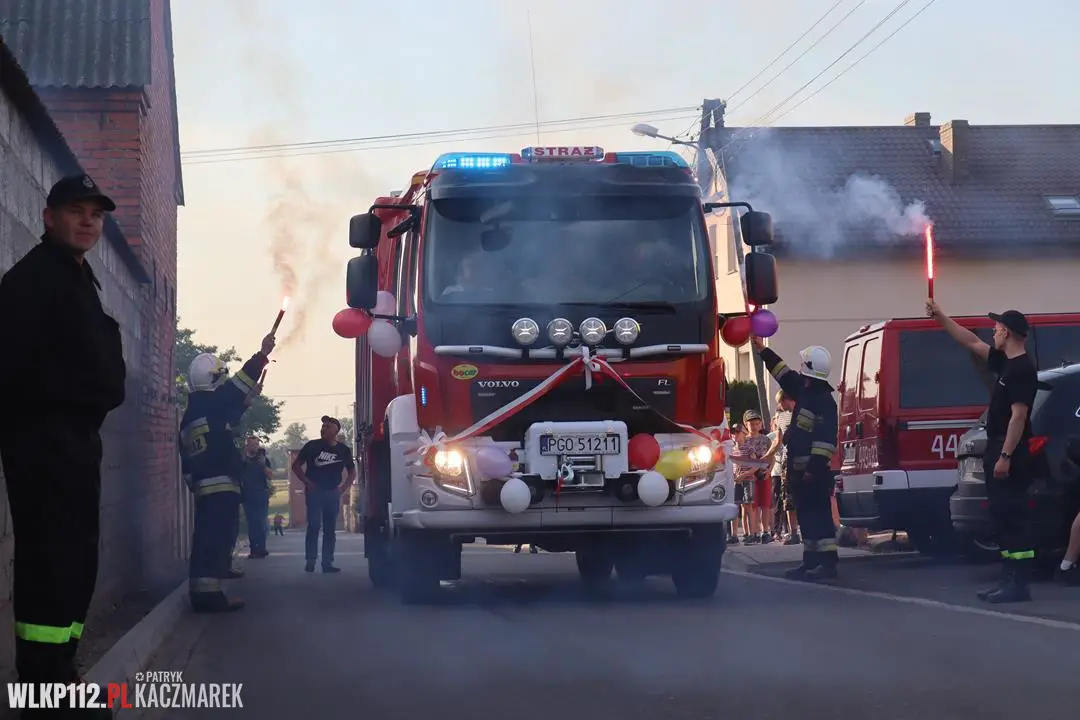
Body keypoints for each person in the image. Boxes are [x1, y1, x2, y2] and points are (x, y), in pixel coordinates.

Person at [0, 175, 126, 703]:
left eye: (96, 215)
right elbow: (17, 370)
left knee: (75, 563)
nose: (88, 222)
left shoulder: (75, 277)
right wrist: (77, 397)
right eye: (76, 211)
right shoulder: (33, 281)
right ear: (49, 217)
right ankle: (45, 694)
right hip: (44, 446)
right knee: (51, 566)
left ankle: (61, 676)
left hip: (73, 443)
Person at [928, 302, 1038, 603]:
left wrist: (1005, 456)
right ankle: (1008, 578)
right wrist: (941, 317)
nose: (993, 332)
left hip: (1009, 451)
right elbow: (971, 341)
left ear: (1007, 332)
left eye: (997, 328)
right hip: (997, 447)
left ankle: (1019, 583)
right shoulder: (1005, 363)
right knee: (1001, 517)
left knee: (1013, 518)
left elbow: (1019, 416)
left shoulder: (1022, 369)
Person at [180, 335, 274, 612]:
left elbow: (225, 421)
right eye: (220, 377)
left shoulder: (193, 413)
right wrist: (262, 353)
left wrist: (246, 402)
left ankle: (207, 590)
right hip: (221, 485)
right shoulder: (214, 401)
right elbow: (240, 382)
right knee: (214, 539)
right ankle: (209, 598)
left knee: (209, 538)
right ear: (213, 380)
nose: (224, 382)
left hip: (205, 487)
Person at [751, 336, 840, 581]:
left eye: (803, 365)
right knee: (807, 518)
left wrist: (812, 469)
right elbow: (783, 373)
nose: (799, 369)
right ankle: (810, 561)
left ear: (809, 369)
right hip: (799, 472)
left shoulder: (824, 401)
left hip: (814, 474)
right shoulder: (805, 390)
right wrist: (762, 350)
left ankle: (828, 564)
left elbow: (825, 442)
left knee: (820, 517)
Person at [293, 416, 357, 573]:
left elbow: (352, 472)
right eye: (323, 426)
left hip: (332, 492)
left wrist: (343, 488)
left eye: (327, 426)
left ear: (336, 430)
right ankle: (310, 560)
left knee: (330, 529)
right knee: (314, 525)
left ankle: (327, 563)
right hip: (315, 492)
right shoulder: (312, 446)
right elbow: (296, 466)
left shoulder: (343, 450)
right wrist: (308, 483)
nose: (323, 429)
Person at [732, 410, 773, 544]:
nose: (754, 426)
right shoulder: (744, 440)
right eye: (751, 424)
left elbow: (772, 456)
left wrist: (770, 470)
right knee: (750, 505)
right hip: (749, 475)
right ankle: (753, 531)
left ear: (761, 424)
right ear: (745, 424)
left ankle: (765, 531)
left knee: (765, 504)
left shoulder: (766, 439)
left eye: (757, 423)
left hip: (763, 473)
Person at [766, 390, 800, 545]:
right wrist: (767, 455)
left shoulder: (799, 413)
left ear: (784, 400)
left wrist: (766, 456)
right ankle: (795, 533)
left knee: (794, 497)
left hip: (796, 460)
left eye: (779, 403)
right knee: (789, 498)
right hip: (791, 461)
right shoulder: (781, 417)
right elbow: (778, 441)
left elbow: (778, 441)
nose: (779, 406)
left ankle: (798, 532)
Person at [240, 436, 274, 559]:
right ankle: (254, 549)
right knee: (252, 522)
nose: (255, 447)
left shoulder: (263, 459)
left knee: (261, 520)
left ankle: (262, 548)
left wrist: (263, 465)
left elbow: (270, 476)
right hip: (247, 494)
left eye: (256, 445)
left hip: (261, 493)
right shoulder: (242, 460)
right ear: (247, 446)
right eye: (252, 445)